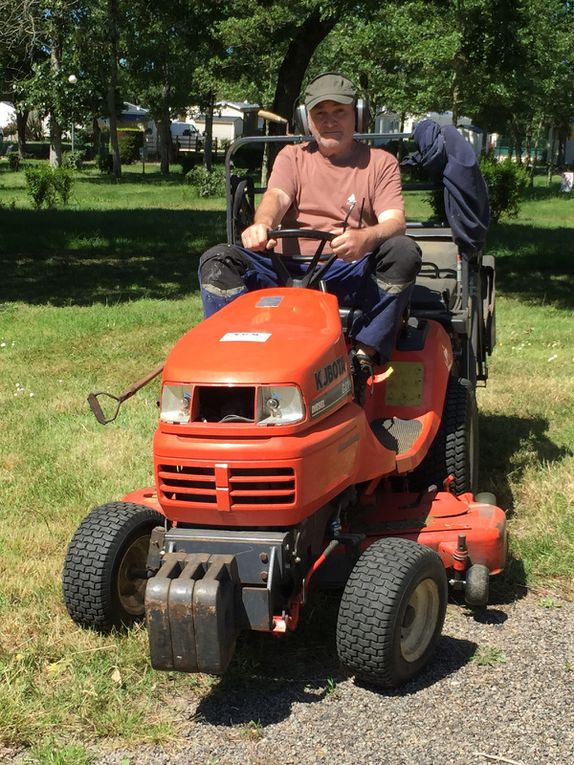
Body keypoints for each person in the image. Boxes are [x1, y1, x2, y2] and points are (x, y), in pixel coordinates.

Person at [199, 72, 421, 386]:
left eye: (339, 112)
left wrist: (365, 238)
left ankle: (364, 355)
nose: (330, 122)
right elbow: (277, 196)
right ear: (307, 121)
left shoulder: (380, 162)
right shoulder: (292, 157)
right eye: (320, 114)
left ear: (357, 116)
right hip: (282, 271)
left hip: (347, 273)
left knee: (403, 251)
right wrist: (262, 224)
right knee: (218, 261)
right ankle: (235, 352)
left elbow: (395, 221)